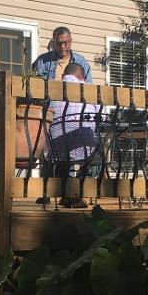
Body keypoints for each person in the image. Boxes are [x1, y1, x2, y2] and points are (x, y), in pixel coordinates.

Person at [45, 62, 100, 208]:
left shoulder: (52, 93)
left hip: (56, 149)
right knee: (97, 158)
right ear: (83, 78)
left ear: (63, 76)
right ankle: (77, 193)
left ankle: (65, 193)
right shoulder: (90, 92)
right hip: (83, 148)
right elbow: (103, 119)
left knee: (65, 159)